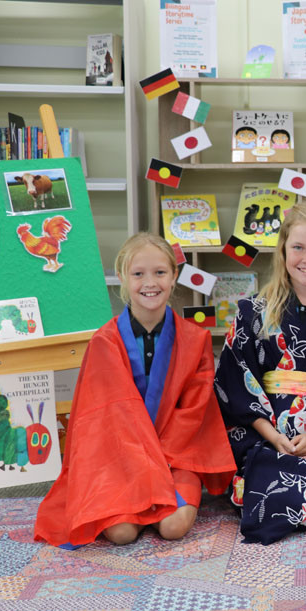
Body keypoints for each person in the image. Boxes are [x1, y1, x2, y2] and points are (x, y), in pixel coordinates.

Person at [34, 233, 236, 547]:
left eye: (159, 272)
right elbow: (100, 418)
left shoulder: (196, 340)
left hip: (176, 456)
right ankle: (142, 503)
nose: (149, 282)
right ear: (122, 278)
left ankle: (154, 501)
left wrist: (158, 463)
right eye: (138, 273)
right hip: (121, 458)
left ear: (174, 277)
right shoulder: (105, 342)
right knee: (121, 534)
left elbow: (194, 413)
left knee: (173, 526)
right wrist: (140, 463)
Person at [214, 202, 306, 544]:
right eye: (297, 247)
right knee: (260, 477)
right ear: (282, 251)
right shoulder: (251, 312)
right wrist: (273, 436)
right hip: (265, 437)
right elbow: (235, 384)